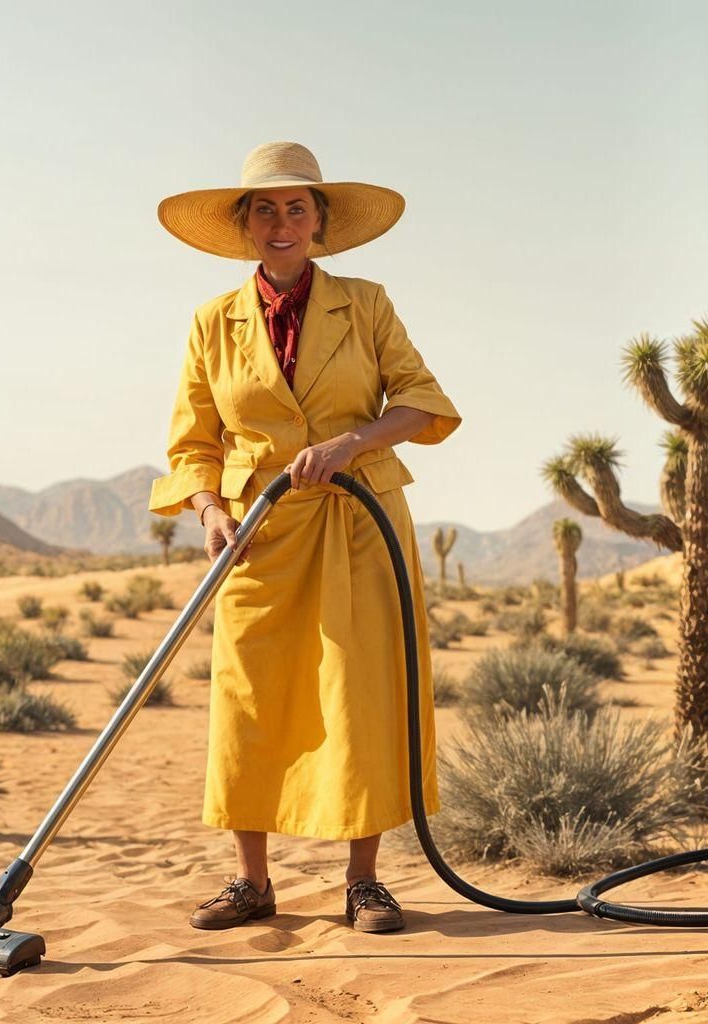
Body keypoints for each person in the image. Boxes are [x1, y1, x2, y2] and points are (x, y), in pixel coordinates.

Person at [150, 141, 461, 933]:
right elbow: (192, 443)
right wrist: (210, 511)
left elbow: (422, 402)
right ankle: (252, 882)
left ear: (319, 222)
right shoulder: (210, 323)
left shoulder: (367, 302)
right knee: (248, 699)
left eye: (297, 208)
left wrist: (352, 442)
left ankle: (364, 882)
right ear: (245, 225)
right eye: (266, 208)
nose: (282, 222)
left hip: (359, 522)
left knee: (361, 695)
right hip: (256, 533)